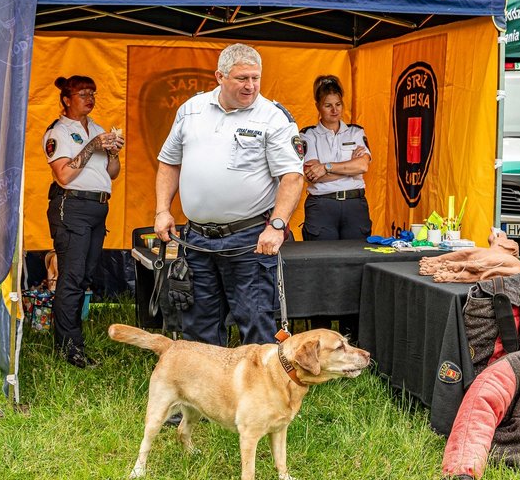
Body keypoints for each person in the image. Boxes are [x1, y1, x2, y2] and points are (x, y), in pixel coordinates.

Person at [154, 43, 305, 347]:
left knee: (255, 321)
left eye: (255, 78)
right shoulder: (191, 109)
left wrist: (276, 226)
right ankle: (205, 392)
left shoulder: (272, 117)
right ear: (219, 76)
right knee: (198, 322)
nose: (251, 86)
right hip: (196, 238)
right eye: (242, 79)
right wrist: (162, 210)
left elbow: (292, 177)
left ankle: (261, 394)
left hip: (249, 239)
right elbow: (169, 162)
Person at [43, 75, 124, 368]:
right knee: (72, 277)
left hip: (97, 207)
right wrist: (92, 145)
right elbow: (63, 175)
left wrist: (113, 152)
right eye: (83, 93)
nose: (90, 98)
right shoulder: (58, 132)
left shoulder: (98, 129)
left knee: (84, 277)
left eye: (93, 93)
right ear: (66, 99)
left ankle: (72, 337)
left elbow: (112, 173)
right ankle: (69, 347)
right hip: (72, 205)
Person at [300, 75, 372, 240]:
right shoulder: (307, 135)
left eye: (338, 104)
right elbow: (313, 175)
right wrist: (350, 169)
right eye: (328, 105)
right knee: (321, 259)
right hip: (322, 205)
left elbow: (363, 167)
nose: (335, 110)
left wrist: (327, 167)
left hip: (355, 205)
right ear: (318, 106)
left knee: (356, 257)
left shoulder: (356, 132)